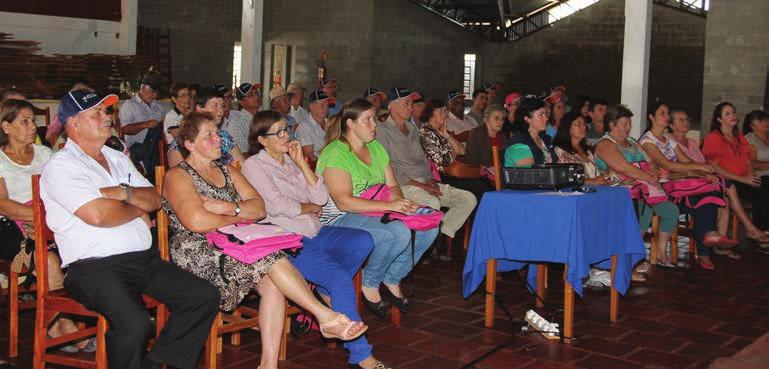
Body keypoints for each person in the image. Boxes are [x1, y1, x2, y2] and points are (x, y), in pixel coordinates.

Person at [163, 112, 368, 369]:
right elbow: (196, 222)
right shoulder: (178, 175)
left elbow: (259, 209)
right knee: (273, 257)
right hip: (199, 251)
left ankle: (268, 365)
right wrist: (238, 214)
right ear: (189, 144)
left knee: (272, 283)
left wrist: (225, 208)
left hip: (236, 243)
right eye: (210, 135)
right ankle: (324, 316)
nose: (219, 140)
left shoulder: (227, 171)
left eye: (218, 133)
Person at [41, 90, 220, 369]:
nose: (107, 118)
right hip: (94, 268)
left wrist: (122, 193)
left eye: (107, 111)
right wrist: (137, 206)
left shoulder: (116, 157)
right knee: (135, 324)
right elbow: (98, 215)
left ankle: (153, 364)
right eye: (97, 113)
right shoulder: (61, 166)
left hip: (143, 260)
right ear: (73, 123)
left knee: (203, 297)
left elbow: (154, 198)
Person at [242, 111, 390, 369]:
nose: (285, 135)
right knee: (340, 278)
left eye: (286, 129)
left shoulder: (290, 161)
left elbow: (321, 197)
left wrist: (301, 164)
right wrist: (308, 207)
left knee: (362, 240)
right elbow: (275, 205)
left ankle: (325, 290)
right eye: (278, 132)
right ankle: (362, 356)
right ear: (262, 140)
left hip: (314, 231)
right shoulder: (253, 165)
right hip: (287, 238)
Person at [317, 98, 439, 318]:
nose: (375, 125)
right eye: (368, 120)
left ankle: (392, 276)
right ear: (350, 124)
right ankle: (370, 281)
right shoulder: (336, 153)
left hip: (373, 209)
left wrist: (401, 204)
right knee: (397, 232)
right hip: (339, 218)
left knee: (428, 226)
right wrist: (389, 206)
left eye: (374, 119)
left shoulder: (376, 147)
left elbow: (393, 185)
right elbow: (344, 201)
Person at [0, 99, 94, 355]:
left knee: (89, 250)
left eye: (34, 120)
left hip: (49, 221)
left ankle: (67, 323)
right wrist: (41, 219)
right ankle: (65, 327)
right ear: (6, 127)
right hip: (12, 225)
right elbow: (3, 205)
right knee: (49, 261)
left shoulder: (45, 155)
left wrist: (53, 219)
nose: (33, 126)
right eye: (25, 121)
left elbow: (63, 189)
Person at [640, 102, 736, 269]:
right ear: (651, 117)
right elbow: (668, 165)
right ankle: (706, 244)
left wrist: (702, 172)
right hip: (662, 191)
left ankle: (707, 245)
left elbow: (687, 161)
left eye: (667, 112)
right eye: (662, 113)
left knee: (708, 194)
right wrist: (700, 168)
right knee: (706, 199)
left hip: (679, 188)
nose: (666, 115)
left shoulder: (669, 140)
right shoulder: (647, 141)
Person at [377, 88, 476, 243]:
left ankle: (437, 238)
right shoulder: (382, 130)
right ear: (391, 105)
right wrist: (422, 186)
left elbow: (423, 160)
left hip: (424, 181)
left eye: (412, 103)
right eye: (406, 103)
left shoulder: (411, 129)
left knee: (467, 199)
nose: (411, 107)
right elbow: (388, 168)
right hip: (403, 185)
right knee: (432, 203)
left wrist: (430, 180)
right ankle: (426, 242)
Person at [594, 105, 679, 268]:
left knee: (670, 211)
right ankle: (630, 259)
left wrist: (653, 172)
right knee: (643, 211)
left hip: (645, 187)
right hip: (620, 190)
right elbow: (622, 166)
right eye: (625, 124)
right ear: (612, 125)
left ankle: (661, 253)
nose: (629, 127)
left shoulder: (632, 142)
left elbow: (651, 161)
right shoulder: (605, 144)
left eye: (629, 123)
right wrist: (647, 177)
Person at [702, 103, 769, 247]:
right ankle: (755, 230)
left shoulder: (738, 137)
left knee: (765, 183)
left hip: (743, 179)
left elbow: (748, 161)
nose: (732, 115)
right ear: (719, 119)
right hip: (727, 180)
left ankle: (763, 229)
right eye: (727, 113)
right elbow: (714, 167)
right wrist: (744, 179)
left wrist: (752, 177)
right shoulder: (714, 138)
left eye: (733, 112)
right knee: (761, 190)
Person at [419, 98, 491, 202]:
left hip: (451, 174)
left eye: (446, 111)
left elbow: (462, 150)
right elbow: (444, 161)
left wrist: (447, 136)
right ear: (431, 113)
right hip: (439, 178)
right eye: (442, 111)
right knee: (480, 186)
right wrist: (454, 151)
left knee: (483, 182)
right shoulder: (426, 133)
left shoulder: (442, 131)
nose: (446, 114)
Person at [167, 87, 245, 167]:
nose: (221, 110)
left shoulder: (224, 137)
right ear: (200, 108)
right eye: (215, 105)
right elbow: (178, 175)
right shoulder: (182, 143)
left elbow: (242, 166)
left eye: (222, 106)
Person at [119, 73, 166, 174]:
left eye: (157, 92)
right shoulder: (129, 106)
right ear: (143, 87)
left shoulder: (159, 107)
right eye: (152, 92)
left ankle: (159, 177)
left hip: (156, 149)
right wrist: (145, 125)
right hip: (137, 148)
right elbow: (125, 130)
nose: (155, 95)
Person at [552, 111, 611, 186]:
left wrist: (606, 178)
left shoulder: (588, 151)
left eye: (584, 124)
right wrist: (590, 181)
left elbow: (596, 176)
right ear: (567, 127)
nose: (583, 127)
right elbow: (563, 178)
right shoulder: (560, 151)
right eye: (578, 124)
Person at [505, 98, 557, 167]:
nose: (546, 118)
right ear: (527, 118)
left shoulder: (543, 137)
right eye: (541, 115)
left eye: (545, 114)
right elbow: (530, 175)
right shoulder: (519, 145)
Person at [743, 110, 769, 245]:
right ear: (752, 125)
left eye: (766, 119)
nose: (766, 123)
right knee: (765, 185)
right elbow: (752, 164)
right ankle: (763, 230)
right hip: (757, 178)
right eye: (761, 121)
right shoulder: (750, 139)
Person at [296, 90, 334, 163]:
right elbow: (309, 156)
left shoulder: (330, 123)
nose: (326, 108)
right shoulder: (305, 126)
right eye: (322, 105)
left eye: (327, 105)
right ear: (311, 107)